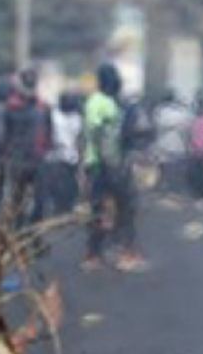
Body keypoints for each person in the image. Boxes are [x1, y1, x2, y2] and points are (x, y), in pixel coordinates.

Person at [83, 63, 144, 272]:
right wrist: (113, 166)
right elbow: (102, 136)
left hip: (99, 163)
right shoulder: (103, 103)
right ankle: (124, 254)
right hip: (107, 164)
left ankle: (94, 255)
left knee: (101, 209)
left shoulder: (99, 102)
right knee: (125, 207)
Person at [2, 67, 51, 221]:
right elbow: (4, 135)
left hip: (35, 158)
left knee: (38, 201)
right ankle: (18, 233)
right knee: (18, 200)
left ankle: (33, 234)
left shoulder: (43, 107)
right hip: (20, 159)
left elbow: (49, 134)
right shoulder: (11, 107)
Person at [43, 92, 84, 217]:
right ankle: (59, 209)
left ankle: (66, 209)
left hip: (71, 158)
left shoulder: (77, 118)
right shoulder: (54, 115)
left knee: (70, 187)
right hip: (56, 157)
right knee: (57, 186)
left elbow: (79, 139)